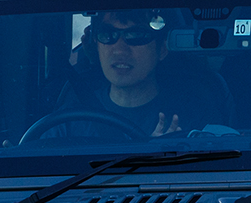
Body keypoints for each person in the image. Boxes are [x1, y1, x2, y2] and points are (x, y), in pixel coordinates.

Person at [45, 10, 231, 139]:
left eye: (135, 36)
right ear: (96, 43)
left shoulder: (194, 118)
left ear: (162, 49)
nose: (119, 50)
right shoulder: (69, 121)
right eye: (108, 35)